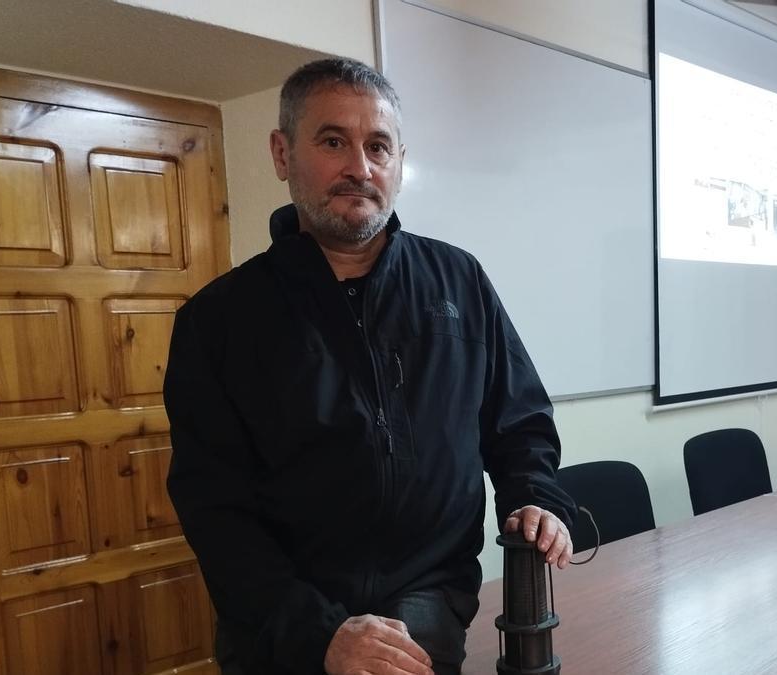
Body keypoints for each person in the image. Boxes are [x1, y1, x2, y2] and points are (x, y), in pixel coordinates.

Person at [164, 58, 576, 675]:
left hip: (427, 604)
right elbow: (215, 509)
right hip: (281, 628)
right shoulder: (219, 320)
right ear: (282, 154)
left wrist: (536, 497)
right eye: (333, 142)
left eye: (378, 146)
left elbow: (518, 421)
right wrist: (318, 632)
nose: (359, 167)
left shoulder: (459, 282)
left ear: (399, 162)